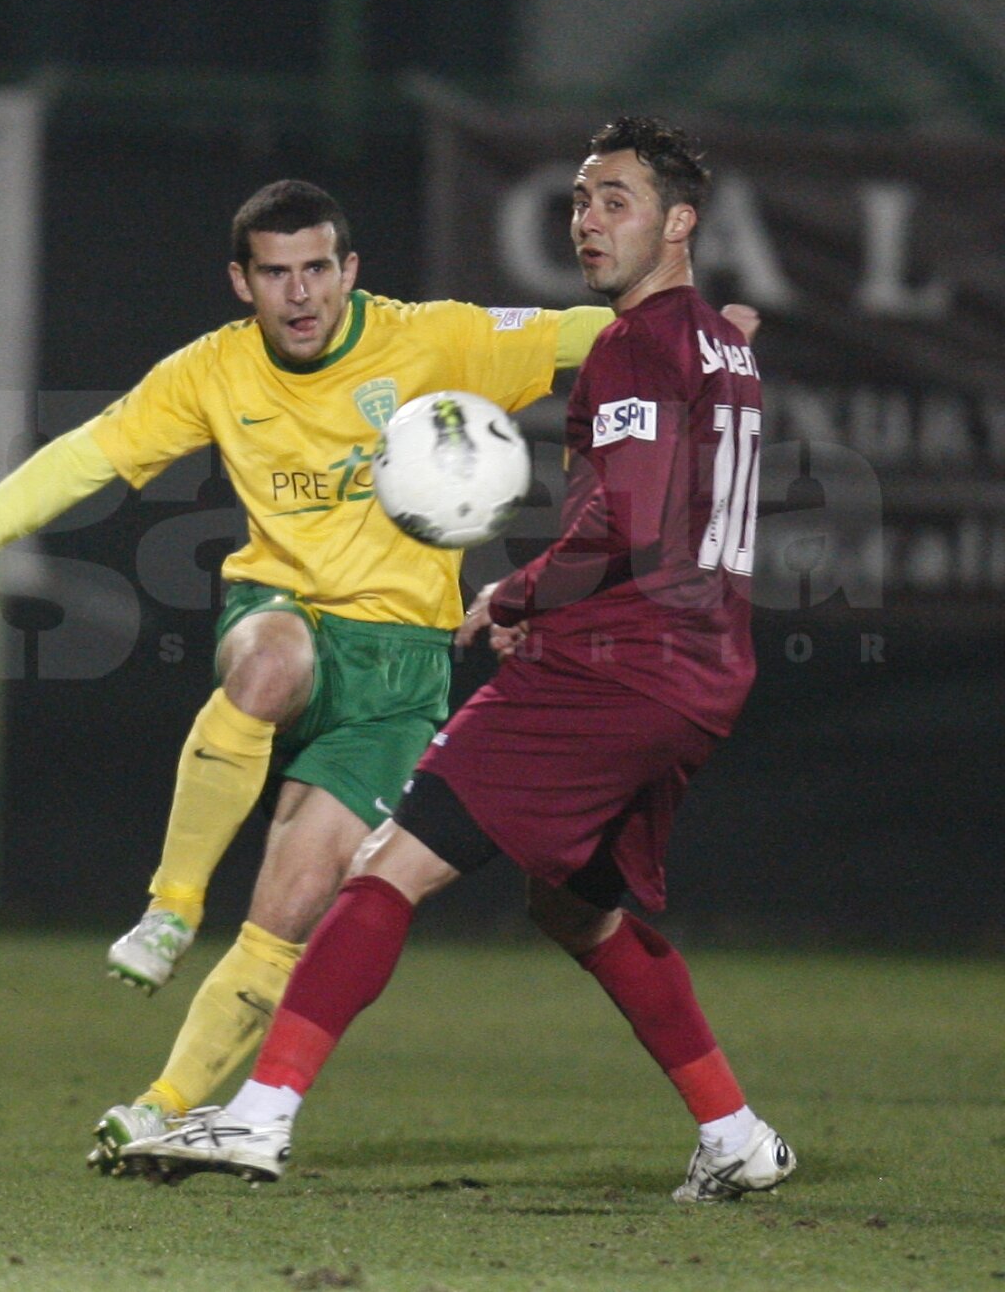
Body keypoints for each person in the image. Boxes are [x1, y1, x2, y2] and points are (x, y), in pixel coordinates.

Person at [122, 120, 796, 1205]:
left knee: (387, 863)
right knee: (574, 909)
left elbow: (625, 516)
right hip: (704, 667)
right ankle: (736, 1130)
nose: (587, 219)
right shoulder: (724, 344)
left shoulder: (632, 344)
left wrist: (515, 595)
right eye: (580, 198)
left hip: (609, 669)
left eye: (616, 199)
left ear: (679, 223)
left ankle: (257, 1117)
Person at [0, 179, 638, 1170]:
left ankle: (160, 1106)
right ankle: (170, 907)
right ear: (241, 282)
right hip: (283, 618)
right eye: (274, 274)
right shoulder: (214, 368)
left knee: (288, 911)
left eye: (314, 270)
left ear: (349, 271)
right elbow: (84, 455)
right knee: (271, 662)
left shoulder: (438, 339)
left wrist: (696, 330)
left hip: (399, 677)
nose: (298, 295)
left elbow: (588, 333)